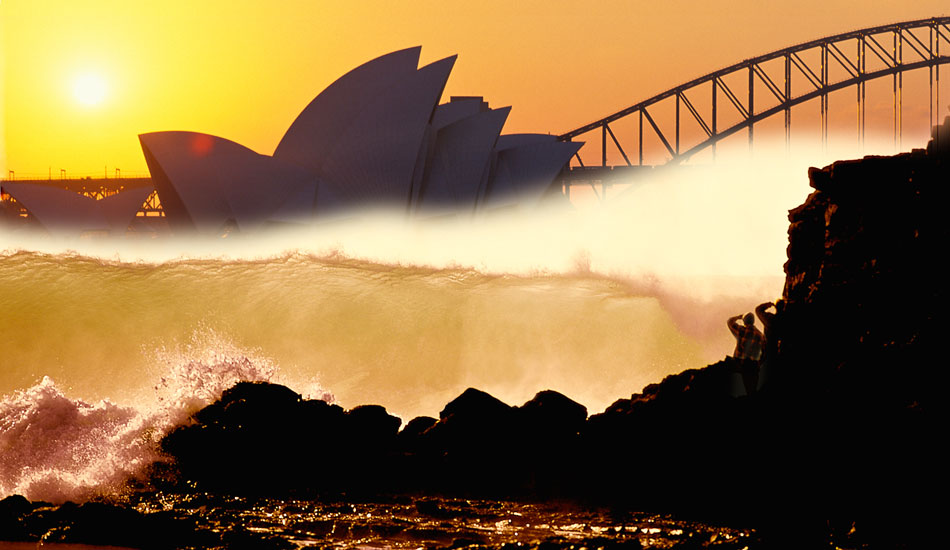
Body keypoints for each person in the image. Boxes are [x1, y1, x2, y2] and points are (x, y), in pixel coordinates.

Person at [727, 312, 765, 395]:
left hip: (740, 363)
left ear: (744, 321)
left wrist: (738, 317)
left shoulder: (742, 330)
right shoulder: (760, 335)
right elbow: (764, 353)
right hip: (753, 365)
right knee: (752, 390)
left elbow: (730, 322)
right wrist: (759, 363)